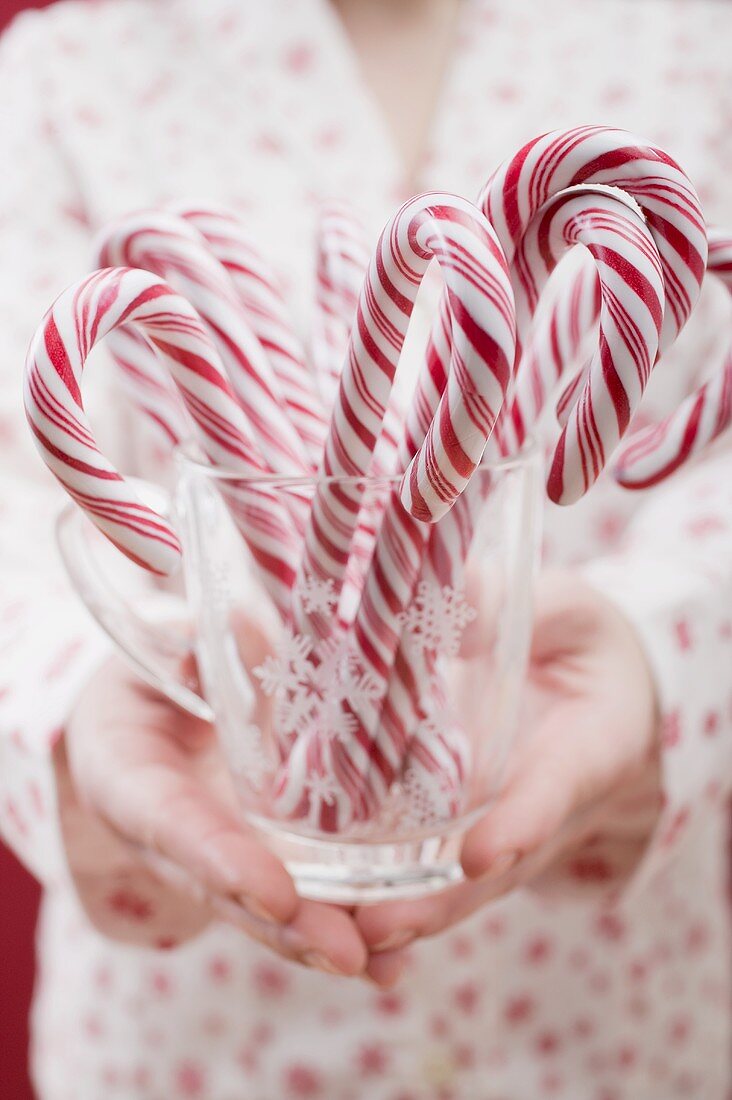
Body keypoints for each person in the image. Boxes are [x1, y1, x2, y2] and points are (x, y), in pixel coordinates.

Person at [1, 0, 731, 1096]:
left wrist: (666, 642)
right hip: (192, 1047)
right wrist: (91, 678)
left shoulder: (695, 40)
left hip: (616, 1030)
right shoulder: (68, 69)